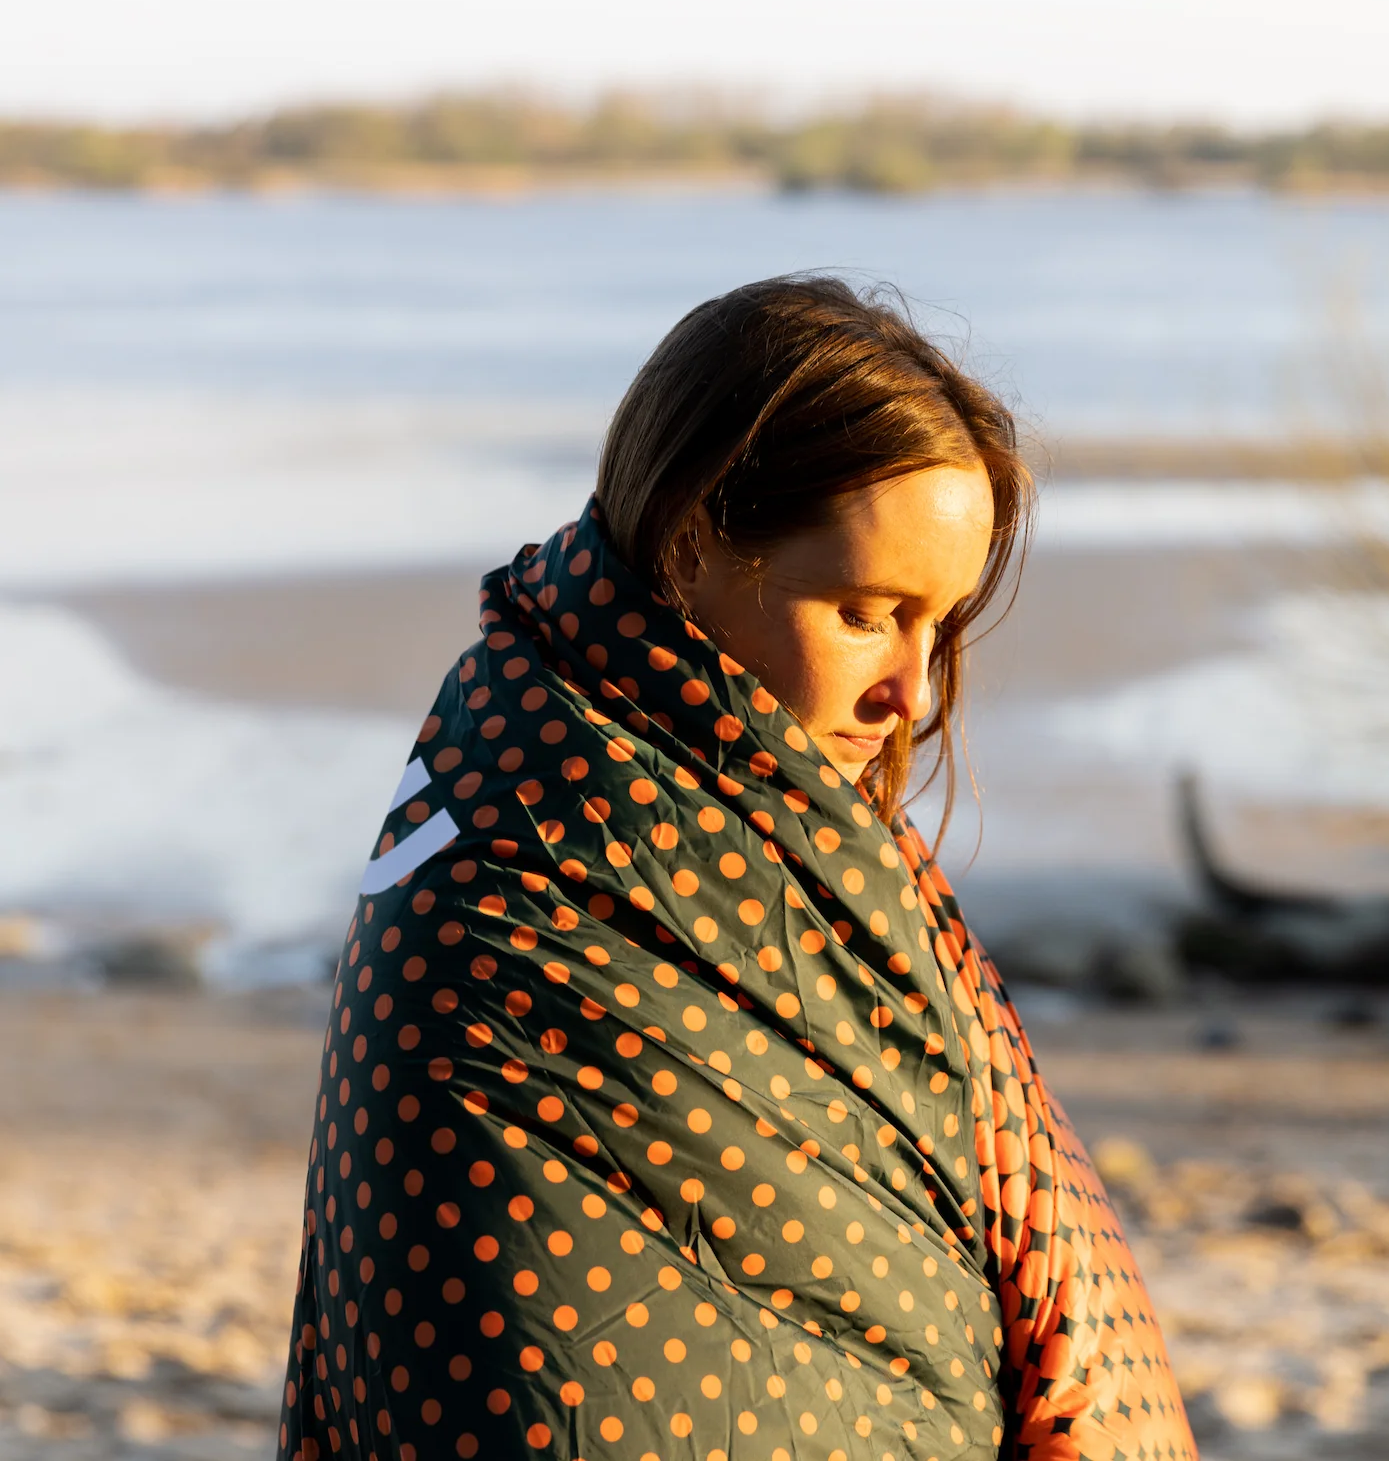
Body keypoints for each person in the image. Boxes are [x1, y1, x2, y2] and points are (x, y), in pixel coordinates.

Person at [278, 276, 1197, 1461]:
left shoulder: (797, 851)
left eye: (939, 624)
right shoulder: (509, 886)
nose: (912, 692)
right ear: (690, 541)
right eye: (864, 612)